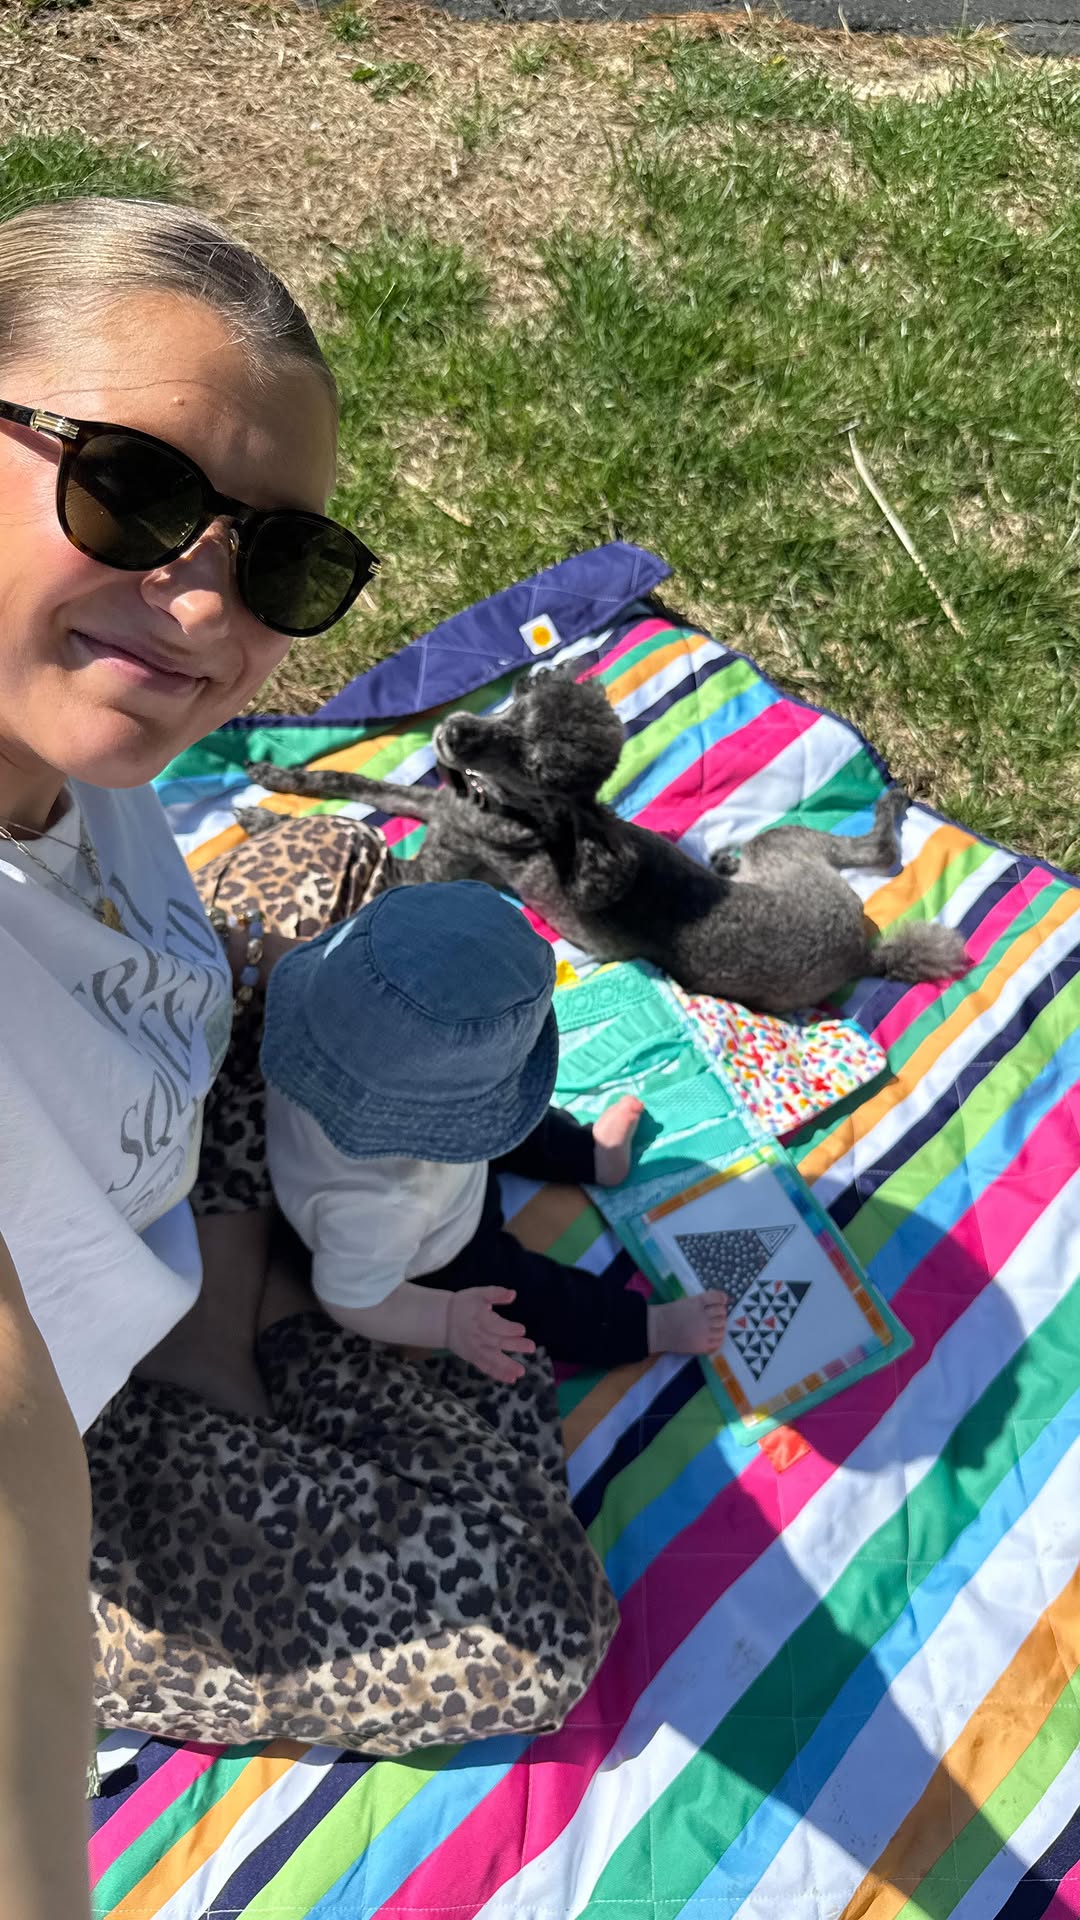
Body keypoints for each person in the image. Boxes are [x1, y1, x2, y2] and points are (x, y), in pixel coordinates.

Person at [0, 194, 617, 1920]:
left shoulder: (75, 755)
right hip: (91, 1457)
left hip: (147, 1149)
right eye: (130, 489)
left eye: (280, 562)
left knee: (337, 864)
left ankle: (231, 1284)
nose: (206, 607)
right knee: (525, 1623)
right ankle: (232, 1340)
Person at [263, 880, 729, 1374]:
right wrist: (445, 1319)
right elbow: (351, 1298)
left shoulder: (310, 1017)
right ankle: (645, 1327)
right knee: (528, 1296)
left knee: (519, 1122)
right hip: (439, 1246)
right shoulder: (381, 1209)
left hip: (431, 1160)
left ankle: (590, 1153)